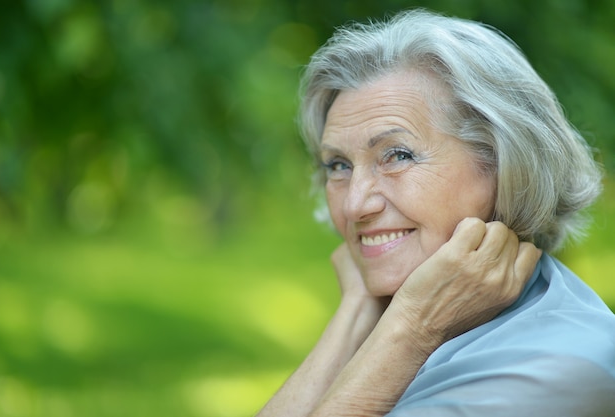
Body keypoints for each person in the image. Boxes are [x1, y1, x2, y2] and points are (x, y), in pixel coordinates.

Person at [257, 9, 615, 417]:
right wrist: (356, 308)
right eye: (338, 165)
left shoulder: (555, 372)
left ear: (505, 165)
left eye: (397, 155)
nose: (354, 205)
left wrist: (412, 326)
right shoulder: (425, 323)